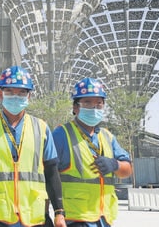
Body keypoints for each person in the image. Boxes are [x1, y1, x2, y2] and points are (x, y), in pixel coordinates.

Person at [0, 65, 66, 227]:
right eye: (10, 92)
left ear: (29, 96)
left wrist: (59, 212)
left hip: (34, 217)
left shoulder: (42, 128)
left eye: (22, 92)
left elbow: (52, 173)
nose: (16, 97)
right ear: (0, 94)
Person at [52, 77, 133, 227]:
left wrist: (115, 164)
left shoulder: (107, 137)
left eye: (98, 104)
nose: (94, 108)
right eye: (87, 103)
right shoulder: (61, 134)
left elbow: (127, 170)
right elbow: (48, 175)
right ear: (75, 107)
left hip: (104, 218)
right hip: (76, 218)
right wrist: (57, 214)